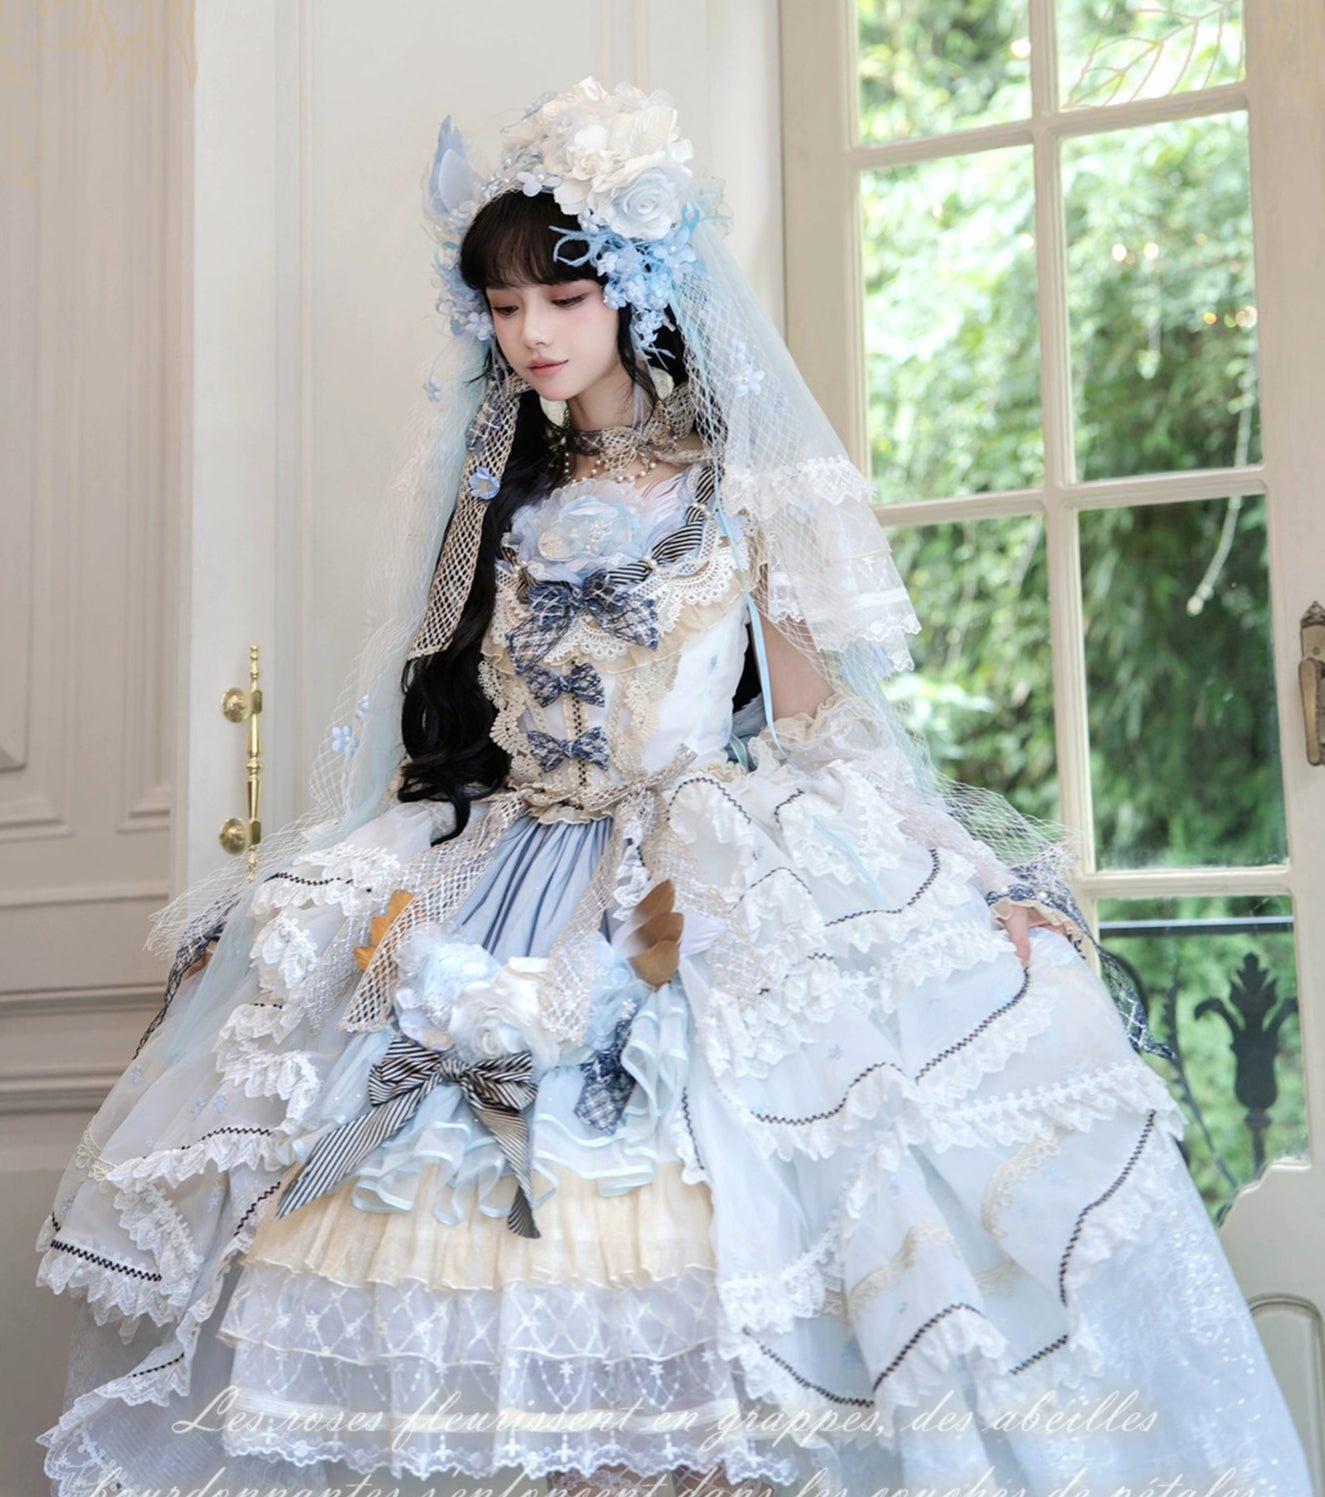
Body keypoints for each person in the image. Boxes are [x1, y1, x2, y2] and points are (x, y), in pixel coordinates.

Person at [34, 78, 1314, 1497]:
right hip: (513, 871)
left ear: (633, 290)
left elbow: (824, 728)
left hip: (692, 884)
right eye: (504, 307)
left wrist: (981, 877)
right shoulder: (498, 499)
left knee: (715, 1234)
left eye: (560, 297)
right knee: (440, 1227)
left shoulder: (737, 485)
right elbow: (457, 723)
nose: (530, 333)